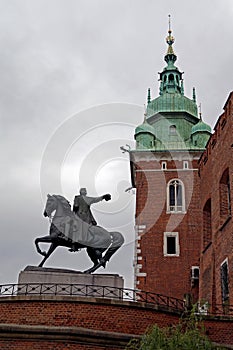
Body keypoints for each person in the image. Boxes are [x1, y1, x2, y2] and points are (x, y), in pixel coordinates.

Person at [70, 188, 111, 253]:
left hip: (79, 217)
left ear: (80, 192)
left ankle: (74, 244)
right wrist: (103, 197)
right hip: (87, 218)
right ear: (85, 193)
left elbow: (76, 206)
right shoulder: (88, 199)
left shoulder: (77, 198)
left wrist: (74, 207)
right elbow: (96, 199)